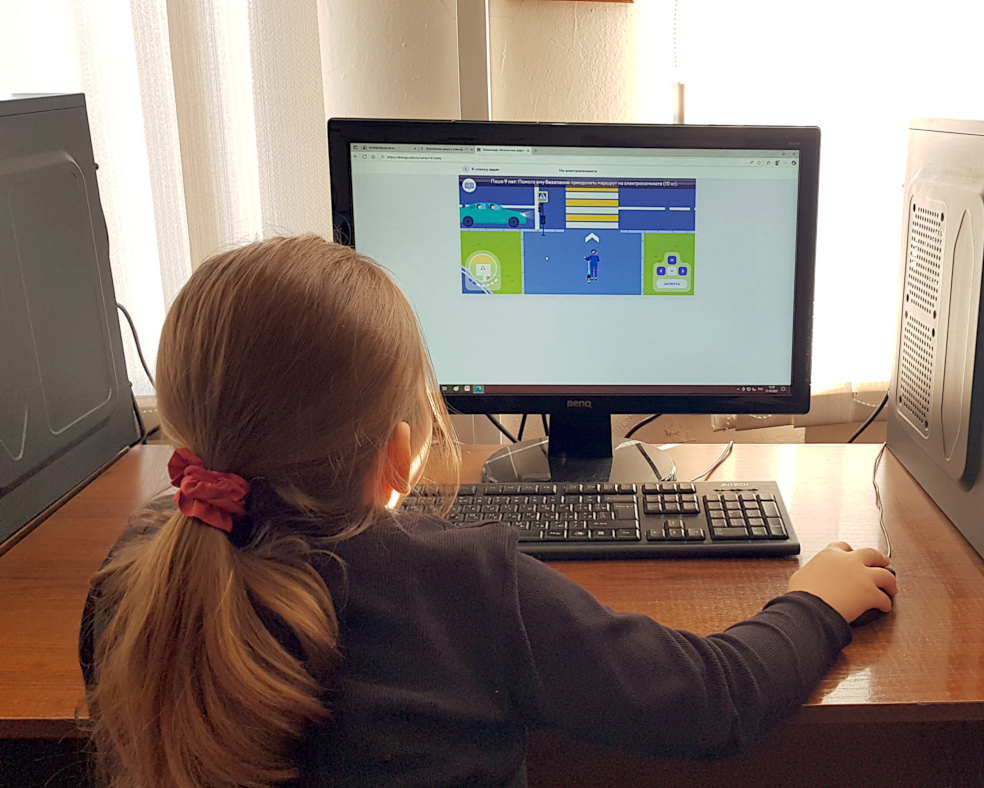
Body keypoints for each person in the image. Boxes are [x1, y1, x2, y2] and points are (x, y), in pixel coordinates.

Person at [79, 235, 897, 788]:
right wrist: (815, 603)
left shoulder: (133, 576)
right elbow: (710, 702)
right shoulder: (459, 585)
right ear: (397, 457)